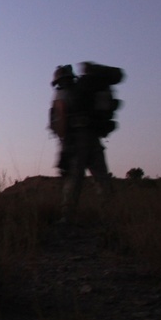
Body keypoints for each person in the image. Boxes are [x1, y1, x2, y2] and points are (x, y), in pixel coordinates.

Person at [51, 64, 115, 223]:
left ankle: (67, 216)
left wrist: (63, 144)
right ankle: (108, 215)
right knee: (101, 178)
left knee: (73, 179)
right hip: (93, 138)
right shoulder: (86, 90)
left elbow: (60, 119)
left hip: (75, 141)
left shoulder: (61, 94)